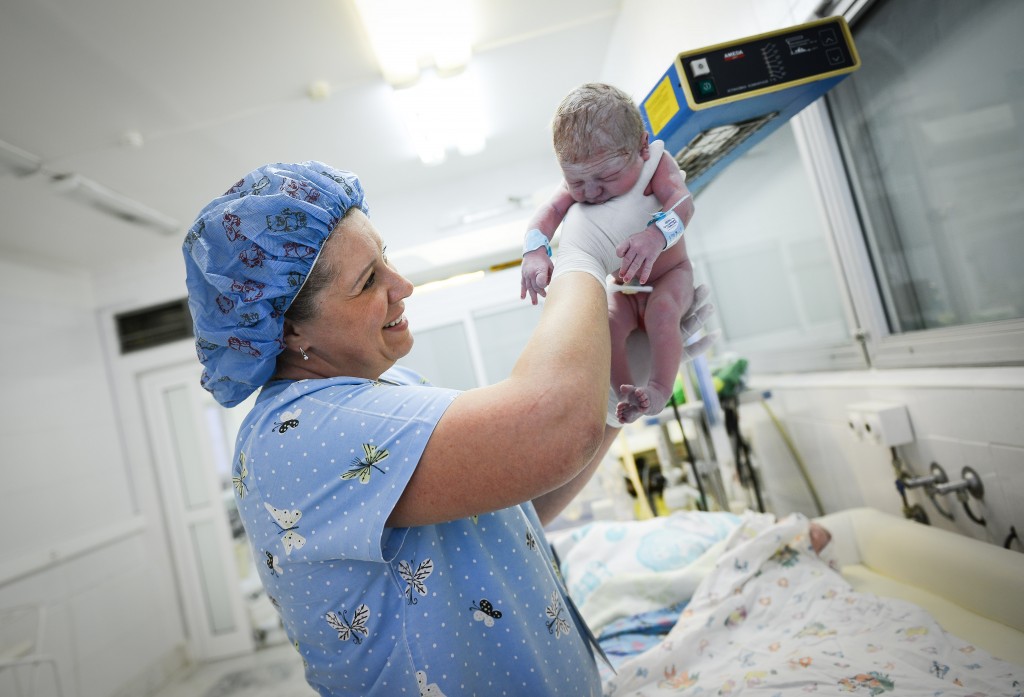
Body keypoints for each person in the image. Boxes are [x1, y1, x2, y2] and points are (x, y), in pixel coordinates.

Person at [183, 161, 621, 696]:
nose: (402, 285)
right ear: (289, 327)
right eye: (368, 281)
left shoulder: (382, 389)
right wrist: (583, 255)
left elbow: (507, 502)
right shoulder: (301, 431)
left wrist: (616, 393)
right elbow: (550, 432)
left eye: (384, 257)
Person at [521, 83, 712, 424]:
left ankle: (656, 390)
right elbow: (547, 212)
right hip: (624, 288)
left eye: (606, 176)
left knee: (663, 312)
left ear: (641, 146)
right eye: (576, 182)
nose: (591, 192)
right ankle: (624, 392)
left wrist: (656, 236)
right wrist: (534, 251)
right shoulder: (586, 176)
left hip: (669, 275)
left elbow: (684, 203)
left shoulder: (657, 163)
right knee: (606, 326)